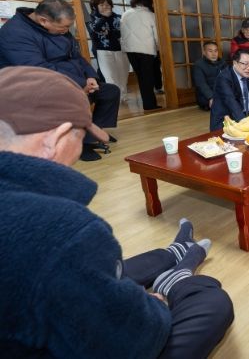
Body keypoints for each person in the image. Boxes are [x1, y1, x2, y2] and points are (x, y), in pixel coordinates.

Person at [0, 66, 234, 358]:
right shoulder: (62, 230)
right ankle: (178, 278)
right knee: (213, 302)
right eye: (82, 136)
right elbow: (132, 342)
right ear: (56, 138)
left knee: (109, 270)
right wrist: (155, 305)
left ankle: (175, 253)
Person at [0, 0, 120, 162]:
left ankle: (90, 136)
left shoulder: (56, 27)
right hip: (33, 86)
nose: (66, 30)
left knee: (110, 92)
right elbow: (38, 69)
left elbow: (76, 55)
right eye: (64, 27)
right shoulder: (15, 32)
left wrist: (90, 76)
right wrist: (78, 84)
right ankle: (75, 142)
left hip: (71, 78)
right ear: (44, 20)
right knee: (71, 98)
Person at [121, 0, 162, 111]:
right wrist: (160, 48)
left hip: (130, 50)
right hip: (146, 50)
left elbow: (122, 33)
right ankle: (150, 105)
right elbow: (157, 35)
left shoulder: (125, 14)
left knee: (140, 77)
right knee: (148, 78)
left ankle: (148, 103)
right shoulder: (150, 15)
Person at [87, 0, 129, 101]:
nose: (105, 7)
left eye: (107, 4)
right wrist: (104, 18)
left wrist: (109, 32)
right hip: (103, 50)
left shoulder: (118, 17)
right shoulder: (92, 18)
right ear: (95, 7)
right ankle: (115, 98)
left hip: (120, 49)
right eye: (102, 5)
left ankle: (123, 96)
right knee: (110, 75)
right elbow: (94, 31)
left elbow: (123, 33)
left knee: (123, 74)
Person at [191, 41, 225, 110]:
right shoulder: (198, 65)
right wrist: (211, 97)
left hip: (222, 93)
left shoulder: (222, 63)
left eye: (215, 51)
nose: (214, 54)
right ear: (204, 52)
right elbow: (201, 84)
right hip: (207, 97)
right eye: (210, 51)